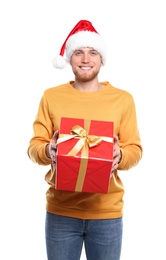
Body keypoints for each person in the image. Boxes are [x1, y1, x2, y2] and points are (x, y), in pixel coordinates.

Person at [27, 20, 143, 260]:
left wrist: (120, 155)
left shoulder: (123, 100)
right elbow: (34, 147)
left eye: (93, 52)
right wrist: (49, 150)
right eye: (78, 52)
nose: (86, 59)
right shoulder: (51, 96)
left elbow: (135, 149)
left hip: (107, 214)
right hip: (61, 213)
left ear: (102, 59)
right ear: (70, 59)